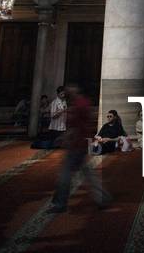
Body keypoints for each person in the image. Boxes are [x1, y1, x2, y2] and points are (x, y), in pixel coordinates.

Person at [49, 83, 112, 212]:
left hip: (76, 145)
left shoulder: (79, 104)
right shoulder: (82, 103)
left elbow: (76, 126)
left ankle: (60, 203)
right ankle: (103, 198)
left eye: (70, 88)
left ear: (76, 90)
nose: (68, 91)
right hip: (80, 144)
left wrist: (67, 138)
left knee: (65, 175)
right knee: (88, 173)